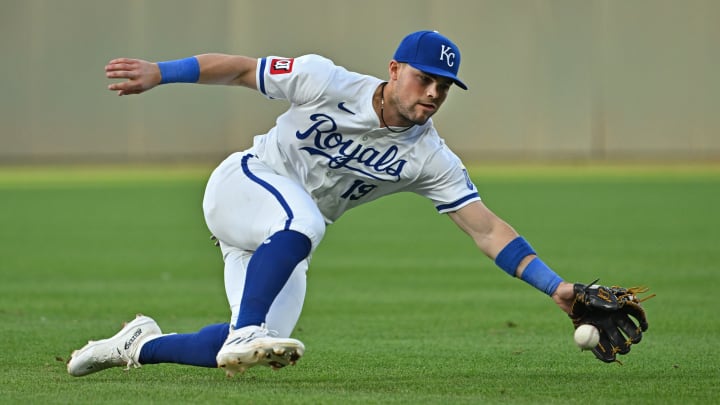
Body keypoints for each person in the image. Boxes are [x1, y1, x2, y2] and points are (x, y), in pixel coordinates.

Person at [67, 30, 577, 378]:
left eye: (443, 86)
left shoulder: (429, 158)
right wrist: (161, 70)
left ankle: (136, 346)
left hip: (283, 240)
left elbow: (487, 230)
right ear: (394, 70)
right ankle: (247, 325)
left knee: (247, 347)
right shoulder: (325, 80)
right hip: (244, 186)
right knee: (300, 225)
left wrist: (557, 288)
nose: (433, 93)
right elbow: (242, 71)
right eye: (424, 79)